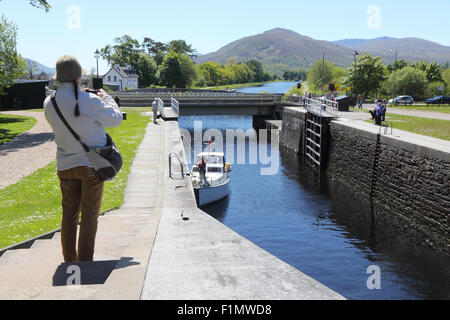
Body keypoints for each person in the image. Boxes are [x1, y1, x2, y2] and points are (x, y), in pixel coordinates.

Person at [43, 55, 123, 262]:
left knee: (69, 217)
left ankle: (70, 261)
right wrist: (106, 98)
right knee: (89, 217)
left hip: (64, 165)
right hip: (90, 165)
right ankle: (86, 263)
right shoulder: (89, 100)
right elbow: (115, 119)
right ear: (79, 76)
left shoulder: (49, 103)